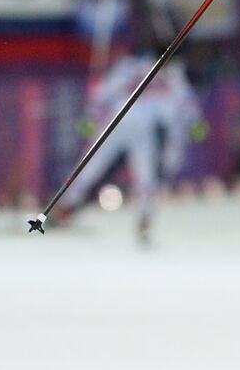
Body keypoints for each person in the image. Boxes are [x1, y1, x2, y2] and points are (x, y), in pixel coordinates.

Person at [58, 43, 202, 242]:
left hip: (143, 134)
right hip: (114, 126)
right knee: (89, 168)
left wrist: (194, 122)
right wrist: (91, 116)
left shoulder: (172, 76)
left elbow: (184, 101)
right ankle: (64, 207)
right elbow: (106, 91)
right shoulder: (131, 67)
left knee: (145, 177)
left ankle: (145, 219)